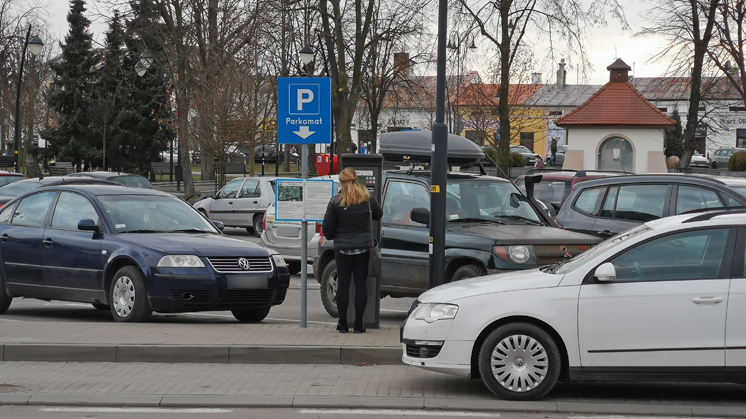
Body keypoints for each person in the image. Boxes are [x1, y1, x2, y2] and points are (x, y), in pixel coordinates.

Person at [321, 168, 383, 333]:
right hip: (363, 249)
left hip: (342, 250)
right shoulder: (367, 198)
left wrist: (339, 233)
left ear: (342, 182)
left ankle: (342, 324)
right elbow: (379, 214)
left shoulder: (335, 202)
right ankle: (358, 324)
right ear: (356, 179)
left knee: (343, 285)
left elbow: (327, 230)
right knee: (361, 285)